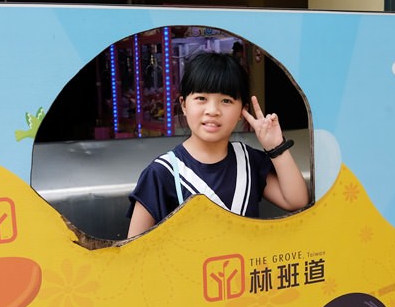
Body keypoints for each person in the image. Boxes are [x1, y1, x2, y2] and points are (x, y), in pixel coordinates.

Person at [127, 51, 309, 238]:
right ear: (183, 104)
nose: (212, 110)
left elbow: (296, 200)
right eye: (201, 99)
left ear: (242, 111)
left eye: (226, 101)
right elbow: (132, 249)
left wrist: (275, 146)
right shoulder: (162, 173)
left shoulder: (248, 161)